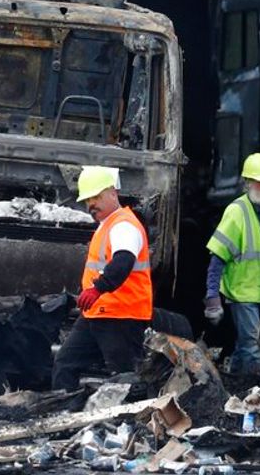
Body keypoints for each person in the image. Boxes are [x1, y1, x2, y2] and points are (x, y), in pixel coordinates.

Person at [51, 166, 154, 390]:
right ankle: (63, 409)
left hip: (121, 314)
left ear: (113, 193)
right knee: (65, 364)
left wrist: (97, 288)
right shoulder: (107, 225)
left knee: (126, 378)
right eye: (88, 200)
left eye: (96, 197)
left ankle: (132, 413)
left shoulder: (124, 226)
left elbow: (123, 261)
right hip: (98, 312)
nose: (91, 204)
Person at [204, 153, 260, 377]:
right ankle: (256, 389)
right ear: (248, 183)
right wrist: (212, 298)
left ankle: (234, 379)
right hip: (243, 293)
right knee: (254, 347)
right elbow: (218, 257)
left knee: (255, 347)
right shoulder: (237, 211)